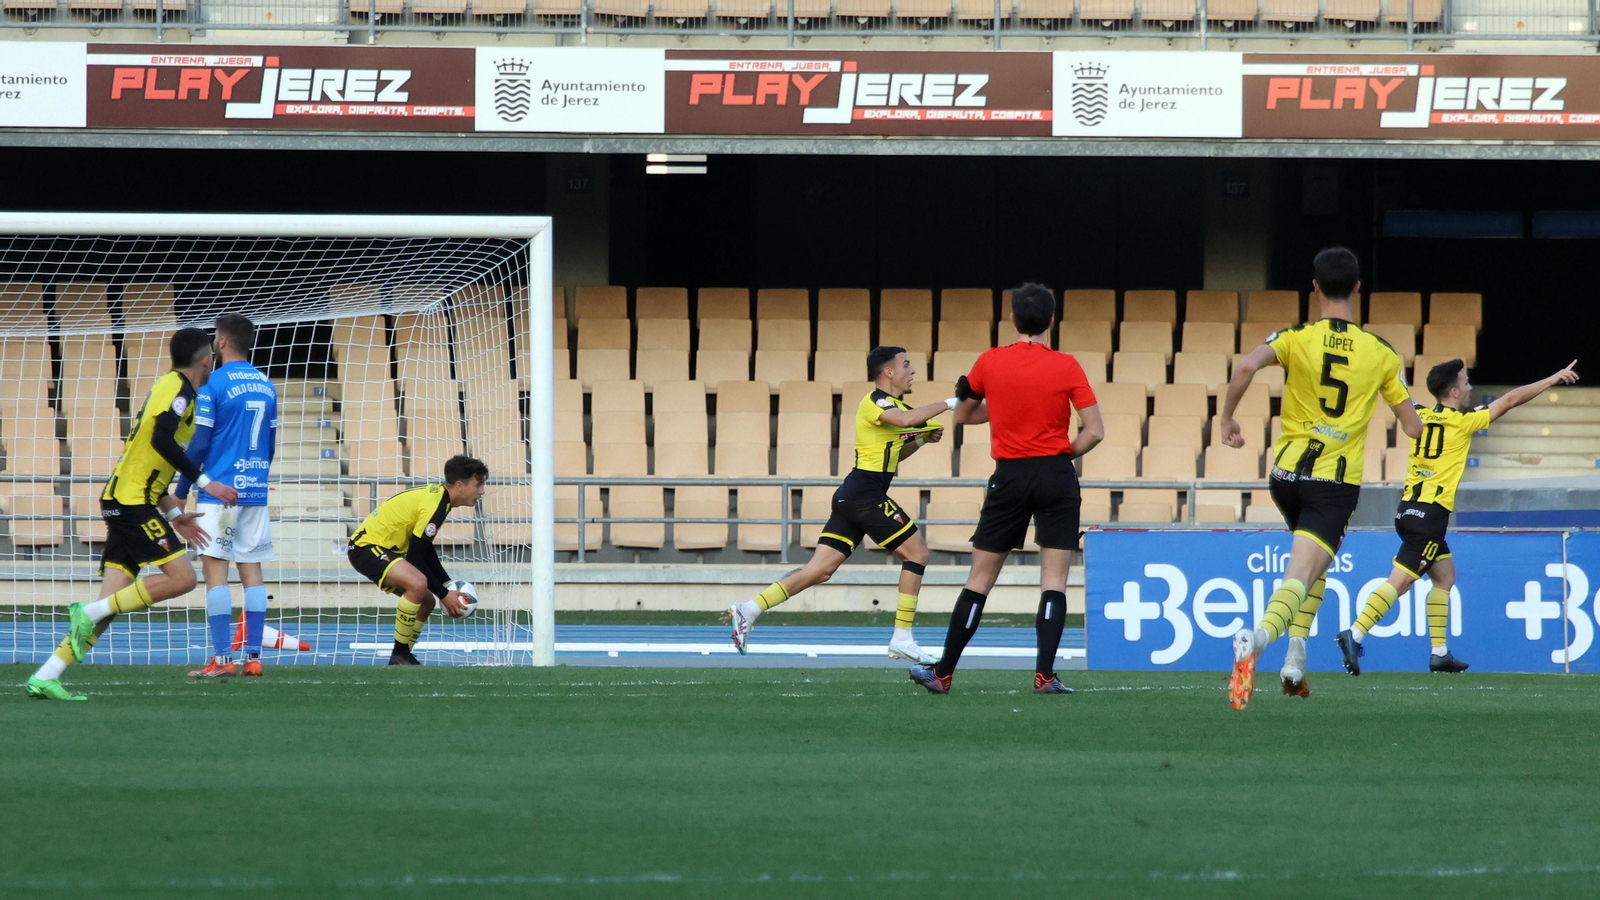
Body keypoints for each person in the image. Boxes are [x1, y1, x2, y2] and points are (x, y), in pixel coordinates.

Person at [1218, 247, 1423, 709]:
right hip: (1332, 483)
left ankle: (1296, 660)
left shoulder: (1297, 337)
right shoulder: (1380, 353)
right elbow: (1412, 427)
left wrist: (1226, 418)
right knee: (1301, 572)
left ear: (1314, 287)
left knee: (1317, 565)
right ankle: (1259, 639)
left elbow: (1246, 365)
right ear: (1358, 287)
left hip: (1286, 475)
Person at [26, 327, 241, 701]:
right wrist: (207, 483)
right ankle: (88, 611)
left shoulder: (175, 390)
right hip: (131, 504)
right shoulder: (177, 389)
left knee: (109, 605)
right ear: (206, 360)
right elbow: (160, 440)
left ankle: (47, 675)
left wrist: (174, 515)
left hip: (130, 499)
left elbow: (150, 464)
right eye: (213, 357)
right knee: (183, 579)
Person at [910, 282, 1104, 695]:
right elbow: (1095, 432)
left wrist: (997, 404)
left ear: (1012, 318)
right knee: (1054, 580)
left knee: (980, 578)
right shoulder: (1067, 365)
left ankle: (943, 673)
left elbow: (964, 415)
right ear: (1052, 320)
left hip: (1010, 475)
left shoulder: (990, 361)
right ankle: (1045, 675)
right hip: (1056, 475)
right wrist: (1059, 455)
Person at [1339, 358, 1579, 675]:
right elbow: (1511, 399)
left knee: (1444, 577)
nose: (1469, 388)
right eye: (1465, 383)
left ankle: (1439, 653)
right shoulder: (1464, 422)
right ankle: (1355, 633)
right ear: (1453, 392)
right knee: (1400, 581)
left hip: (1408, 510)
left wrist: (1389, 374)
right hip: (1430, 516)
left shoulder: (1418, 414)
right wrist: (1551, 378)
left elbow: (1399, 399)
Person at [724, 346, 953, 664]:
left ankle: (748, 609)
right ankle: (902, 638)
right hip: (865, 496)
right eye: (906, 364)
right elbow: (906, 420)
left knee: (819, 570)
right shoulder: (875, 402)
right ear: (888, 372)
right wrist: (952, 402)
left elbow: (894, 452)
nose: (912, 370)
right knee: (918, 554)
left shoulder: (896, 406)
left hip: (854, 495)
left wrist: (921, 439)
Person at [175, 314, 278, 678]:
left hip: (218, 492)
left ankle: (221, 660)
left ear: (221, 341)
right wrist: (256, 476)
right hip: (254, 490)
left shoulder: (213, 384)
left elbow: (200, 443)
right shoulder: (266, 385)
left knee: (215, 572)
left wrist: (182, 491)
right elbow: (270, 444)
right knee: (253, 572)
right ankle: (254, 657)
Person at [348, 455, 487, 665]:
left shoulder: (440, 500)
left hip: (380, 549)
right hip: (365, 547)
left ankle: (402, 658)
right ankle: (400, 653)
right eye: (478, 485)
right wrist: (445, 595)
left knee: (426, 601)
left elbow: (424, 549)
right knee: (418, 583)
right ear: (460, 485)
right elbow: (415, 557)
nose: (482, 491)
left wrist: (446, 585)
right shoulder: (435, 505)